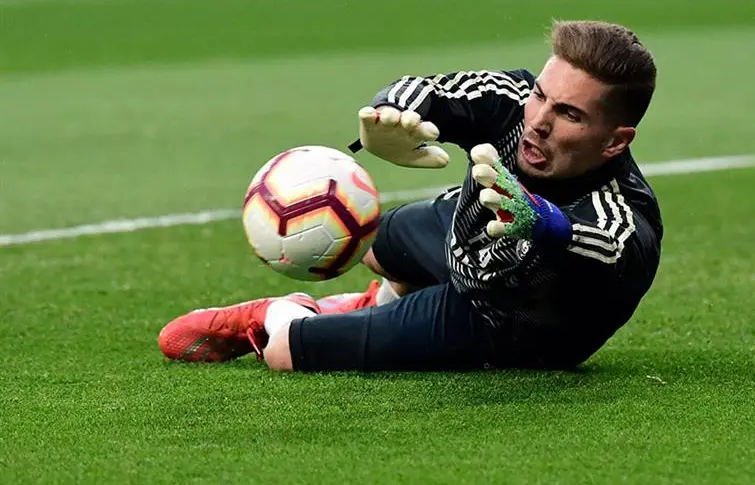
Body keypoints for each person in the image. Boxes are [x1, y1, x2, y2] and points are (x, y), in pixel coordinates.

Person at [158, 20, 663, 372]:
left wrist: (542, 221)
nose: (539, 122)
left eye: (569, 115)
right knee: (375, 244)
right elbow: (430, 90)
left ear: (615, 141)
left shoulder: (622, 210)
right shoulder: (515, 102)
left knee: (284, 353)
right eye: (541, 96)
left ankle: (275, 314)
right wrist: (389, 118)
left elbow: (608, 245)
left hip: (500, 324)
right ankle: (371, 302)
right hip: (461, 239)